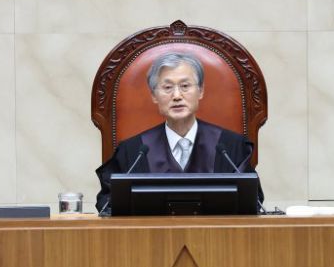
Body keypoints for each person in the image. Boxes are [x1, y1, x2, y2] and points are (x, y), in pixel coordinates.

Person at [95, 52, 262, 212]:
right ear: (154, 95)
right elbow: (108, 205)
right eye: (167, 87)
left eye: (185, 86)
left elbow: (252, 203)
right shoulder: (133, 151)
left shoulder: (230, 148)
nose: (176, 96)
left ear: (201, 91)